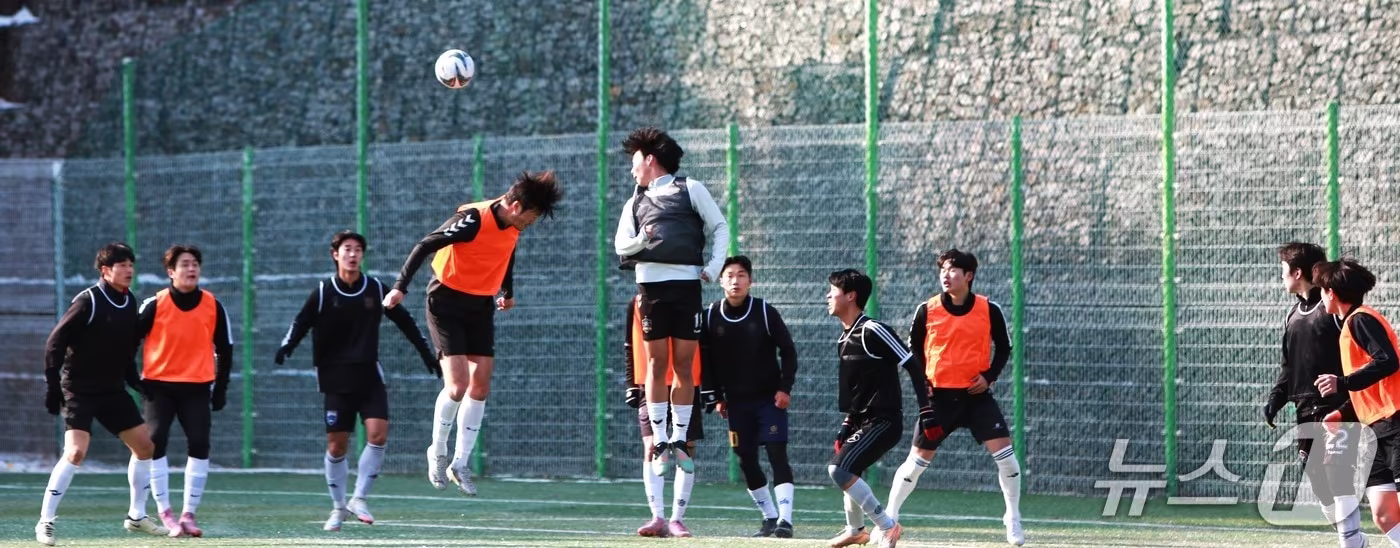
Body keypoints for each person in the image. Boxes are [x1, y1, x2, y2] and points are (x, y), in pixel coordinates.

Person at [381, 172, 562, 495]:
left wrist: (507, 290)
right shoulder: (472, 220)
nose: (530, 225)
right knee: (458, 385)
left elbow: (506, 252)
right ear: (517, 206)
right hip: (445, 301)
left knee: (480, 385)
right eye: (532, 218)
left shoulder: (512, 226)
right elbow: (425, 245)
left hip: (480, 305)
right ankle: (437, 452)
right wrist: (399, 288)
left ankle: (460, 463)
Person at [276, 231, 440, 530]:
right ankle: (338, 507)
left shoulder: (375, 288)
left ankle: (360, 498)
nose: (352, 254)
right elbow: (301, 321)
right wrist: (288, 345)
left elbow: (405, 321)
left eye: (358, 250)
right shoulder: (324, 292)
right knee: (337, 447)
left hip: (368, 375)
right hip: (335, 378)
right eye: (347, 249)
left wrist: (427, 354)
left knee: (378, 435)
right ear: (335, 254)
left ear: (363, 255)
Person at [882, 249, 1022, 546]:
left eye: (953, 270)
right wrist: (923, 383)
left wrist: (989, 377)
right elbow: (913, 353)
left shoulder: (989, 309)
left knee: (1008, 461)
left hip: (976, 399)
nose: (946, 275)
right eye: (943, 270)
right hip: (939, 401)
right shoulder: (927, 309)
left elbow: (1005, 348)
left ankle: (1012, 517)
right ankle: (888, 522)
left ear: (969, 276)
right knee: (914, 465)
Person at [37, 243, 170, 546]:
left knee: (145, 447)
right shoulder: (88, 301)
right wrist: (52, 386)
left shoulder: (129, 301)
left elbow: (124, 351)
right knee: (75, 452)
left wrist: (135, 382)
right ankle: (45, 522)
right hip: (79, 390)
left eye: (131, 264)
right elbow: (55, 344)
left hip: (111, 390)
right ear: (105, 270)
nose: (128, 270)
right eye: (121, 265)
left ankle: (137, 517)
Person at [614, 126, 729, 474]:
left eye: (636, 160)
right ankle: (661, 441)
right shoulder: (634, 201)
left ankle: (680, 441)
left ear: (650, 159)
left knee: (683, 364)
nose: (633, 168)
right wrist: (642, 241)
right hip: (650, 289)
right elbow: (621, 247)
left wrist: (713, 267)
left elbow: (720, 227)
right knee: (655, 364)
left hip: (686, 287)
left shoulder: (690, 189)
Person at [1266, 243, 1375, 548]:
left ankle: (1351, 542)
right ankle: (1357, 539)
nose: (1281, 277)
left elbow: (1363, 356)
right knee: (1320, 484)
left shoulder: (1333, 311)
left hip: (1336, 408)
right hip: (1304, 411)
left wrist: (1349, 397)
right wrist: (1276, 398)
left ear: (1297, 272)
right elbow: (1289, 366)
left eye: (1283, 271)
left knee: (1338, 476)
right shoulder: (1292, 315)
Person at [824, 269, 931, 548]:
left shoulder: (873, 329)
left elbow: (912, 363)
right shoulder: (843, 339)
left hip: (884, 420)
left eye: (832, 290)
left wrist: (926, 410)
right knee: (849, 468)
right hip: (863, 421)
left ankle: (887, 526)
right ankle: (856, 531)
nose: (827, 295)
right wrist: (847, 426)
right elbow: (858, 395)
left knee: (839, 470)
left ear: (850, 296)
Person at [135, 244, 233, 537]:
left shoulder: (213, 305)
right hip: (159, 386)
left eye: (195, 264)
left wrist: (221, 388)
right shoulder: (154, 304)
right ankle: (165, 512)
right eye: (185, 264)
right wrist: (133, 379)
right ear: (171, 272)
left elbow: (226, 349)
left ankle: (189, 514)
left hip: (197, 387)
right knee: (155, 441)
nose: (191, 269)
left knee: (200, 443)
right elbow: (129, 341)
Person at [698, 255, 799, 538]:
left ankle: (785, 521)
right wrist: (716, 396)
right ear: (720, 281)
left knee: (777, 453)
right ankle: (769, 517)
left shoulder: (765, 312)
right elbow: (706, 362)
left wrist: (784, 387)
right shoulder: (710, 316)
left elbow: (789, 351)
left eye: (742, 275)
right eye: (729, 275)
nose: (735, 280)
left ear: (750, 281)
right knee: (745, 459)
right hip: (736, 403)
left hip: (769, 400)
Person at [1315, 258, 1400, 547]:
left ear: (1332, 293)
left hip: (1396, 421)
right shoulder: (1352, 324)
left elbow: (1388, 361)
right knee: (1384, 514)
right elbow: (1372, 383)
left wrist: (1342, 382)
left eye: (1322, 290)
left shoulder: (1361, 319)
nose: (1321, 296)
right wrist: (1342, 412)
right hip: (1378, 427)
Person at [624, 293, 703, 538]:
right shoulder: (639, 303)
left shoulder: (689, 299)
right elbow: (630, 344)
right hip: (649, 385)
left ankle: (677, 519)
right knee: (651, 445)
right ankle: (657, 516)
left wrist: (710, 388)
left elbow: (704, 345)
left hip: (687, 384)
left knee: (686, 447)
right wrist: (631, 383)